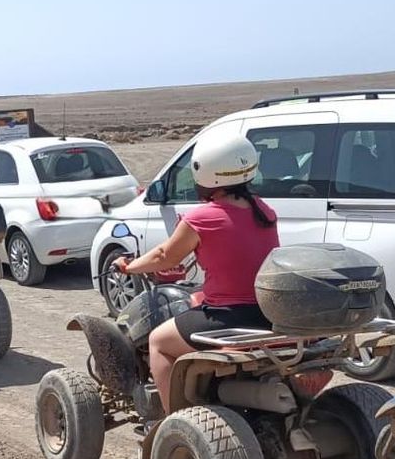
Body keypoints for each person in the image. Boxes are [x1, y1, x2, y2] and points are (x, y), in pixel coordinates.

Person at [114, 133, 279, 416]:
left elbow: (164, 255)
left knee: (158, 342)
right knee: (196, 298)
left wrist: (130, 266)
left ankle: (172, 420)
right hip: (266, 313)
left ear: (207, 173)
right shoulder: (263, 210)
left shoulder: (202, 218)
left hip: (229, 316)